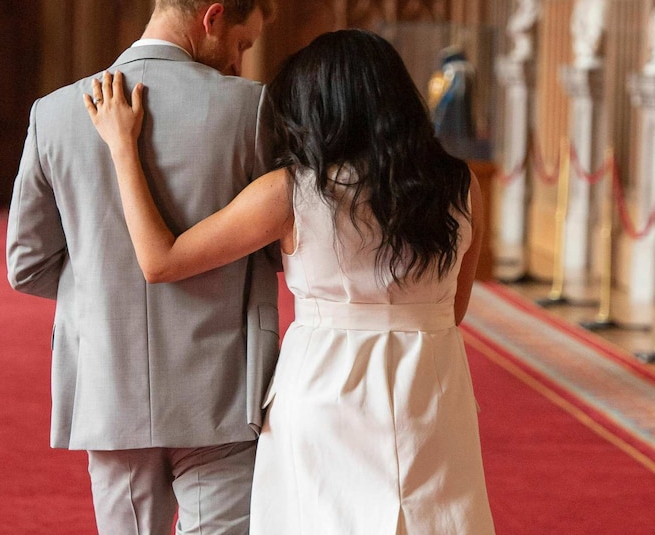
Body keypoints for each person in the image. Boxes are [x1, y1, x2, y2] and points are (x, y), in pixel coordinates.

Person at [86, 29, 496, 534]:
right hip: (430, 385)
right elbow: (453, 311)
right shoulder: (462, 186)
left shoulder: (294, 191)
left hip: (326, 384)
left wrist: (122, 147)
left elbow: (161, 260)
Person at [6, 0, 279, 534]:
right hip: (222, 389)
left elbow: (25, 265)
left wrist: (104, 281)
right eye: (241, 43)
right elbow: (280, 248)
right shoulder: (249, 109)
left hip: (109, 385)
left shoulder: (54, 113)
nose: (238, 62)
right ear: (212, 18)